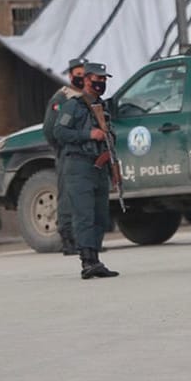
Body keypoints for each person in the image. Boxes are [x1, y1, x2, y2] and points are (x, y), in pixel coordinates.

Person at [51, 61, 118, 280]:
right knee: (84, 215)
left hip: (99, 166)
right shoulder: (73, 105)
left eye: (103, 80)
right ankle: (87, 260)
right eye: (97, 80)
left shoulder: (103, 107)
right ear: (87, 80)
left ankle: (96, 258)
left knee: (100, 214)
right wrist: (87, 136)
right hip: (79, 165)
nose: (100, 84)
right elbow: (59, 131)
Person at [43, 58, 86, 256]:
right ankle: (68, 239)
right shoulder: (62, 98)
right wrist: (63, 150)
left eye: (84, 75)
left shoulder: (88, 97)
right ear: (70, 76)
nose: (81, 78)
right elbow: (50, 129)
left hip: (86, 155)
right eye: (78, 75)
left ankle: (85, 239)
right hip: (68, 154)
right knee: (68, 196)